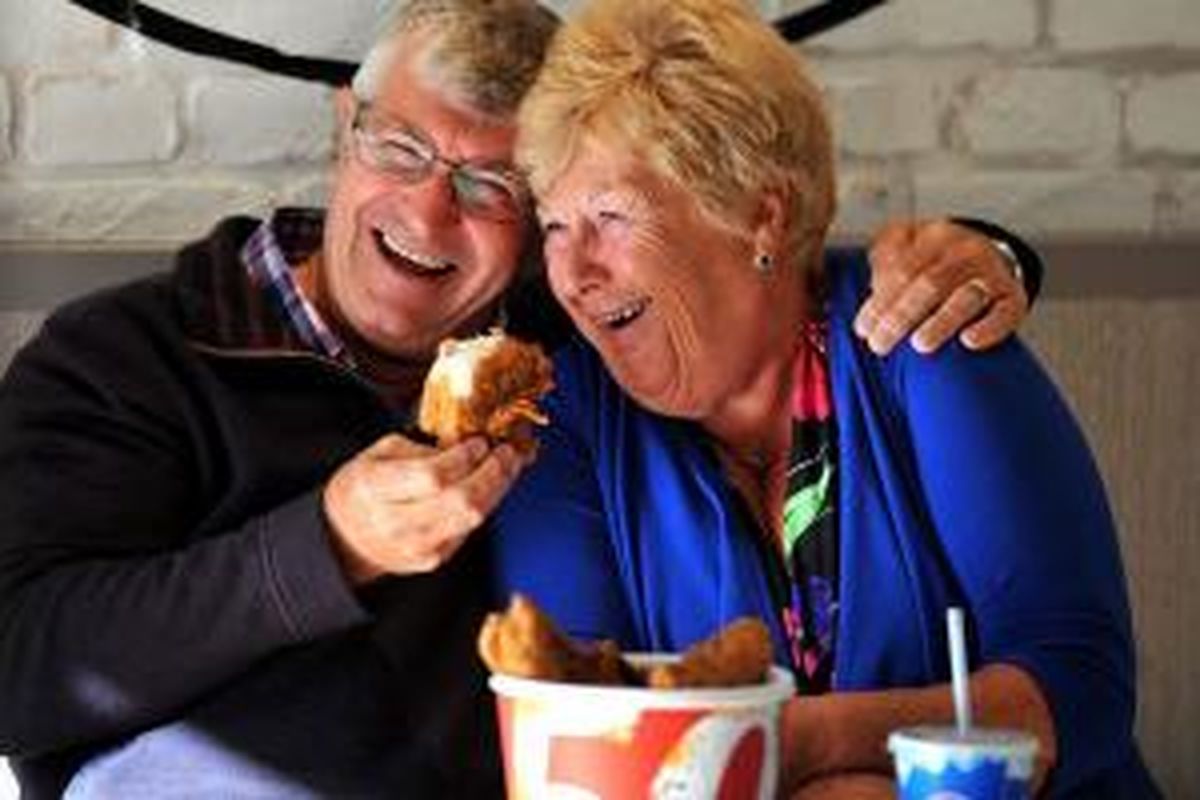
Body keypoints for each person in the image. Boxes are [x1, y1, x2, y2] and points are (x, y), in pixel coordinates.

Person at [0, 1, 1042, 797]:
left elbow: (746, 274)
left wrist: (983, 254)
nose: (428, 208)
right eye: (400, 146)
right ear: (344, 127)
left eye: (493, 186)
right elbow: (19, 667)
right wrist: (326, 545)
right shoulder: (132, 353)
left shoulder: (571, 346)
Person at [492, 0, 1161, 797]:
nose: (574, 273)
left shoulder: (918, 333)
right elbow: (580, 738)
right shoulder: (562, 423)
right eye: (555, 225)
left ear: (760, 215)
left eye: (610, 216)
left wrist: (792, 746)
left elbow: (1080, 686)